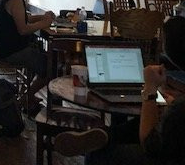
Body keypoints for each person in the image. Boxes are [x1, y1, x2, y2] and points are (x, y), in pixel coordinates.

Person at [54, 15, 185, 163]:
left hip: (167, 157)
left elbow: (149, 144)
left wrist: (150, 89)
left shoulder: (179, 109)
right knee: (142, 123)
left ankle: (104, 137)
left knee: (96, 154)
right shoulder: (179, 106)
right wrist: (173, 104)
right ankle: (106, 135)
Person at [0, 0, 55, 99]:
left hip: (4, 47)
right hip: (12, 51)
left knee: (40, 58)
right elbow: (23, 29)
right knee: (50, 67)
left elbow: (22, 18)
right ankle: (26, 98)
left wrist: (42, 17)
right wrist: (44, 23)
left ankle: (26, 97)